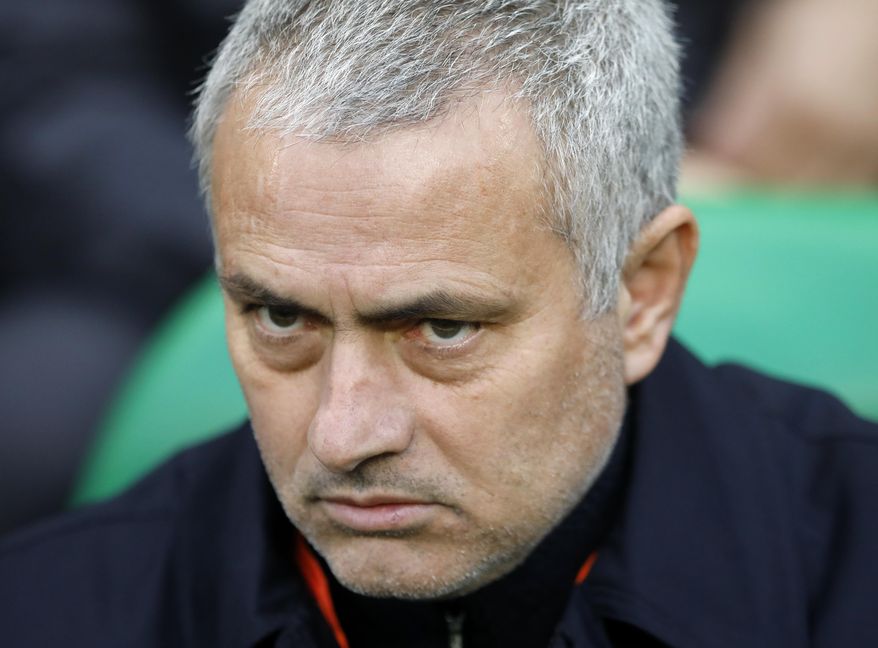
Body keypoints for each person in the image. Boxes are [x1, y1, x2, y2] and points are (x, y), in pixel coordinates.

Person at [1, 1, 876, 646]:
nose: (344, 434)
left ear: (642, 291)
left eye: (442, 330)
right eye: (280, 315)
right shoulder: (53, 612)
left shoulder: (850, 565)